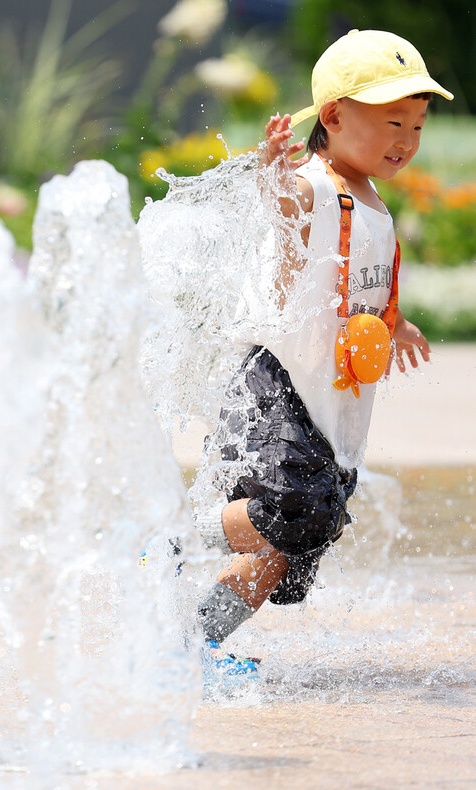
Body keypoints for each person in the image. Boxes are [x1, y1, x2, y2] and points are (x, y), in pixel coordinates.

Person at [192, 29, 453, 676]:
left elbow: (356, 290)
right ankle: (170, 536)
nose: (407, 139)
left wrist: (397, 326)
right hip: (278, 381)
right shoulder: (313, 184)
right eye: (393, 120)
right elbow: (288, 218)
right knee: (296, 512)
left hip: (331, 401)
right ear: (333, 117)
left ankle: (189, 644)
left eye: (416, 125)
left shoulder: (374, 204)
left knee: (290, 547)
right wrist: (274, 178)